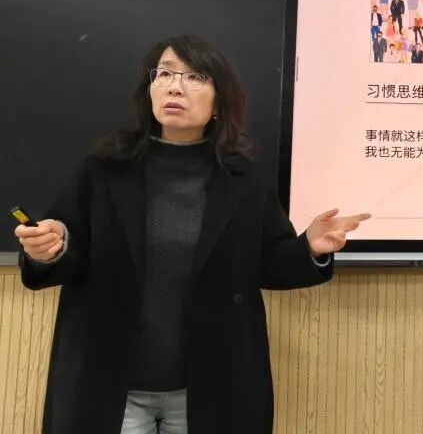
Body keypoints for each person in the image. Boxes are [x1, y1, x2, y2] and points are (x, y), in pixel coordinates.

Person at [14, 36, 370, 434]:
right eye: (164, 74)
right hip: (109, 384)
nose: (174, 87)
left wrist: (309, 249)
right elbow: (67, 247)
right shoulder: (103, 170)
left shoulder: (242, 180)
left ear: (219, 102)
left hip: (209, 387)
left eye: (194, 77)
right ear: (149, 90)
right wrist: (49, 250)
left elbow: (267, 265)